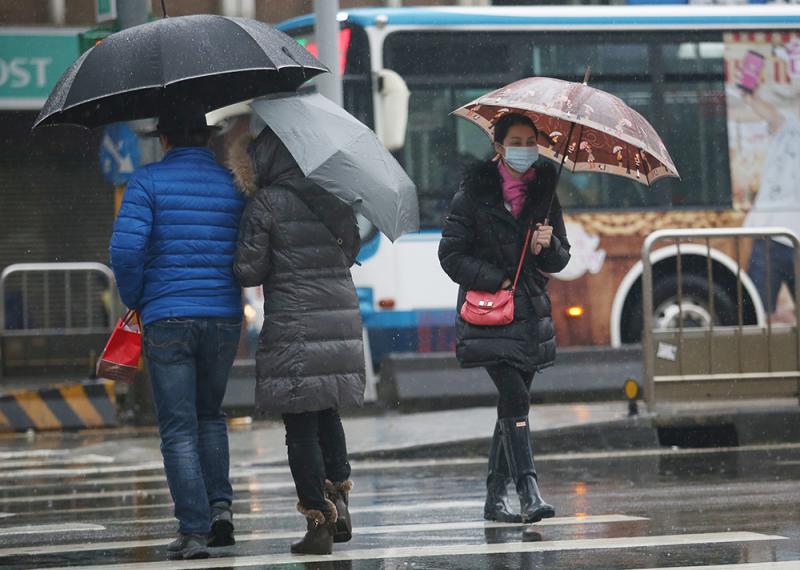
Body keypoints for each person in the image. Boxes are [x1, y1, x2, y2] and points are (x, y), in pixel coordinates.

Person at [109, 101, 245, 560]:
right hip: (223, 317)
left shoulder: (147, 182)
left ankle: (194, 529)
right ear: (208, 138)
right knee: (210, 415)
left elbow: (125, 252)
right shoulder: (232, 183)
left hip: (167, 316)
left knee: (178, 427)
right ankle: (221, 511)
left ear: (164, 140)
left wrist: (137, 298)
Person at [229, 128, 365, 556]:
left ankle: (318, 521)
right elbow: (351, 250)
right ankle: (339, 501)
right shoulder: (334, 195)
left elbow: (249, 271)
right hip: (338, 322)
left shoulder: (266, 203)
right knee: (327, 410)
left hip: (295, 325)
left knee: (301, 425)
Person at [438, 113, 571, 525]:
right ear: (498, 147)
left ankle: (495, 498)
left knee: (512, 405)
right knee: (515, 397)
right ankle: (528, 491)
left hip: (529, 315)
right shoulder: (472, 196)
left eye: (532, 142)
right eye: (516, 141)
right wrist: (496, 278)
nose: (525, 149)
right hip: (489, 315)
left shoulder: (545, 195)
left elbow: (561, 258)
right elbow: (451, 256)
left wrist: (548, 247)